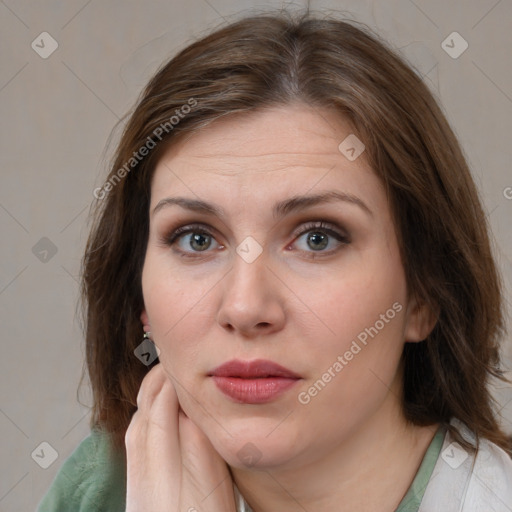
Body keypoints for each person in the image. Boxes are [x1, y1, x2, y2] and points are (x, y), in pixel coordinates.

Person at [37, 9, 512, 512]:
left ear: (423, 293)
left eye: (317, 239)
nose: (245, 307)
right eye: (197, 239)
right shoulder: (96, 491)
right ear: (140, 299)